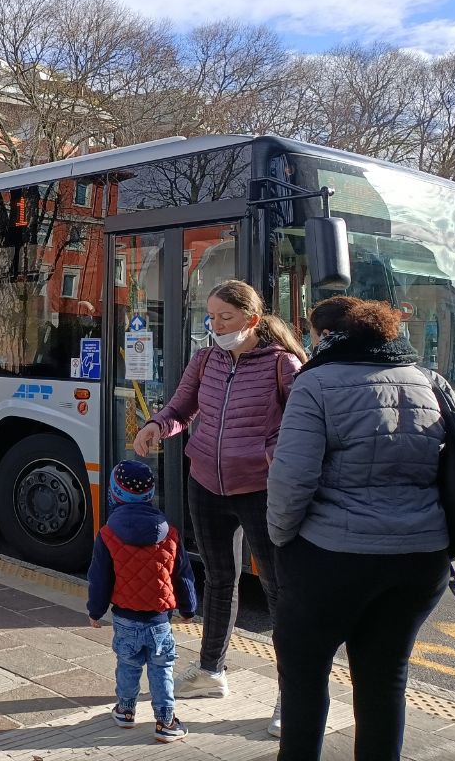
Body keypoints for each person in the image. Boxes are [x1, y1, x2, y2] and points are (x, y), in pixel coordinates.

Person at [267, 297, 448, 761]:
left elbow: (292, 481)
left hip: (333, 557)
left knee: (305, 681)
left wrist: (281, 540)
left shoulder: (317, 383)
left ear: (325, 336)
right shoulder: (428, 381)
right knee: (385, 680)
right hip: (421, 558)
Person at [131, 279, 304, 737]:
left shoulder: (282, 364)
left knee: (277, 590)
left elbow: (307, 421)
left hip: (261, 489)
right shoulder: (205, 360)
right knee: (219, 578)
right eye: (210, 317)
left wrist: (269, 454)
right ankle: (211, 673)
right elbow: (181, 408)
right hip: (205, 482)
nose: (215, 326)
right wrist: (156, 425)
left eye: (225, 318)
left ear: (251, 319)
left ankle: (293, 694)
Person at [87, 460, 197, 744]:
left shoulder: (108, 534)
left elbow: (100, 578)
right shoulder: (170, 533)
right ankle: (166, 721)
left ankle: (125, 711)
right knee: (162, 669)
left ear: (114, 493)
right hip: (160, 620)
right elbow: (183, 575)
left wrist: (95, 611)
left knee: (127, 664)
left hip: (125, 618)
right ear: (150, 494)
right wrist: (188, 609)